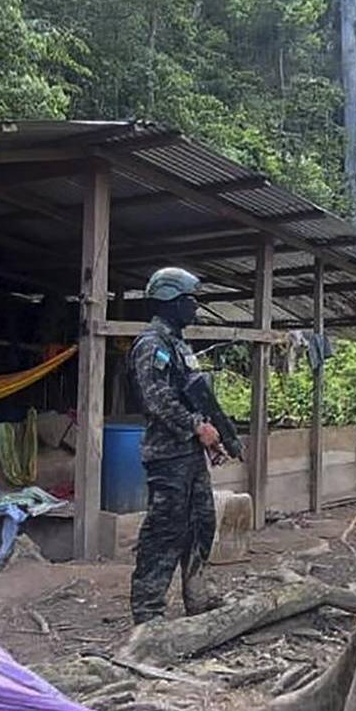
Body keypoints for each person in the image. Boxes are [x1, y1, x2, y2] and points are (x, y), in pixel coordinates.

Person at [127, 267, 226, 624]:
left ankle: (197, 595)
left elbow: (191, 395)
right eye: (190, 300)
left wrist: (210, 435)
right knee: (165, 528)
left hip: (188, 453)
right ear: (171, 301)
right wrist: (196, 427)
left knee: (201, 522)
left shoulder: (178, 344)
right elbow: (158, 399)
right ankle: (148, 609)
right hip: (167, 455)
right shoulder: (151, 344)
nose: (195, 307)